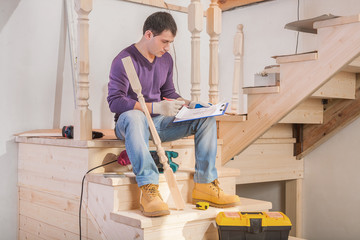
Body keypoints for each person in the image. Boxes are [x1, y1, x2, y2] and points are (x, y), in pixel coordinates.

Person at [107, 11, 240, 217]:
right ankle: (149, 189)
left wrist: (194, 105)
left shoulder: (165, 59)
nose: (167, 47)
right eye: (164, 41)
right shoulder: (124, 60)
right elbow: (115, 102)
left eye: (170, 42)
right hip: (130, 124)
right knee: (135, 118)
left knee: (205, 118)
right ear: (149, 35)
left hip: (159, 123)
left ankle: (205, 185)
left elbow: (169, 94)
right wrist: (154, 108)